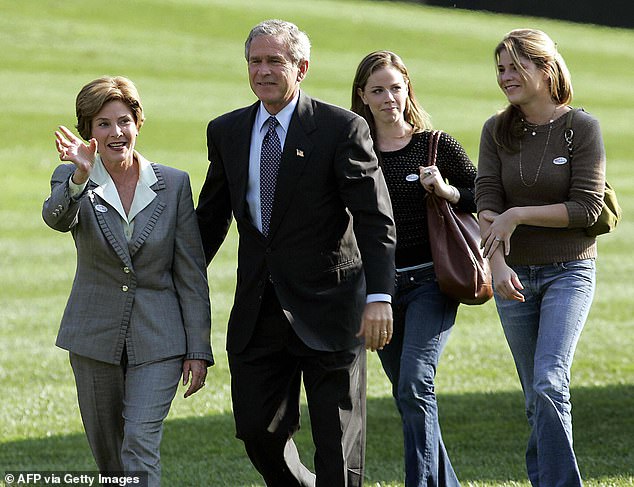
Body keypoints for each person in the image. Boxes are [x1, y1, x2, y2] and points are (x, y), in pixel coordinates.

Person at [196, 19, 396, 486]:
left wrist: (380, 297)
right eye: (255, 61)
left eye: (275, 61)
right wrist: (174, 279)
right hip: (258, 311)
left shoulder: (341, 127)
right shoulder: (226, 131)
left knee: (337, 442)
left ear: (301, 68)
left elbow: (374, 218)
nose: (263, 71)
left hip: (332, 309)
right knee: (255, 429)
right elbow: (209, 220)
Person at [42, 76, 213, 486]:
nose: (116, 133)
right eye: (103, 124)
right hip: (93, 337)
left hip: (160, 339)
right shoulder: (72, 177)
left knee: (138, 442)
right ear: (89, 132)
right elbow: (56, 218)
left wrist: (198, 347)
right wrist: (80, 177)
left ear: (138, 122)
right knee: (111, 459)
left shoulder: (173, 184)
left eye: (124, 121)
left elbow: (191, 272)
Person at [475, 29, 605, 486]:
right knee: (536, 395)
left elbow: (586, 207)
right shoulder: (496, 129)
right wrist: (496, 265)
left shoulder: (582, 128)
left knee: (550, 381)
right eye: (501, 69)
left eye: (516, 67)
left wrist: (518, 214)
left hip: (569, 272)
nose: (506, 77)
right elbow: (485, 199)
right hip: (511, 274)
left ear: (546, 68)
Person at [351, 50, 476, 486]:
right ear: (363, 97)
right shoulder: (353, 151)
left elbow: (482, 197)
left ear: (408, 90)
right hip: (378, 292)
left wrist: (446, 190)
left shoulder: (435, 145)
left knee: (414, 386)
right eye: (378, 90)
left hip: (431, 282)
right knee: (410, 396)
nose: (389, 98)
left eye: (396, 88)